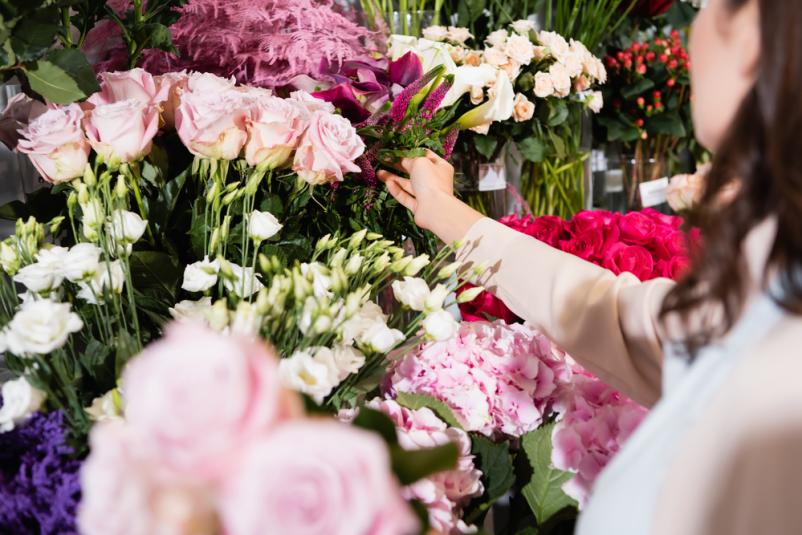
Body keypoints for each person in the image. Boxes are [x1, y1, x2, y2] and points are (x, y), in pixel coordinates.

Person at [378, 0, 802, 533]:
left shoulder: (780, 388)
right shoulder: (767, 288)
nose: (692, 38)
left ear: (752, 41)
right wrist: (450, 215)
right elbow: (613, 315)